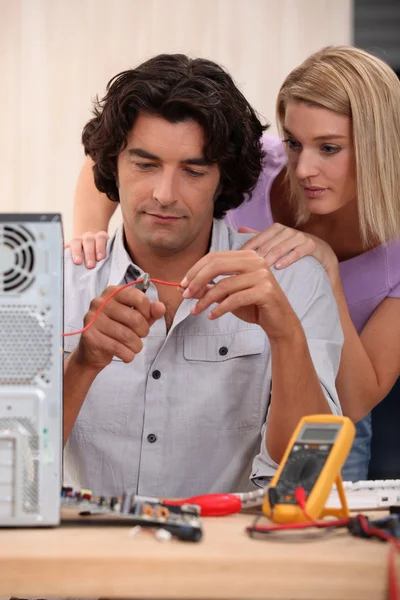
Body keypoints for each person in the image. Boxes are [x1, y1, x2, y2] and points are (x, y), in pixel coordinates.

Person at [68, 46, 400, 482]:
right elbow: (117, 148)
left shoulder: (303, 280)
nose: (304, 170)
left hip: (329, 390)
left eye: (330, 147)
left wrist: (301, 313)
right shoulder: (264, 162)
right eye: (296, 143)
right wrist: (88, 259)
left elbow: (343, 415)